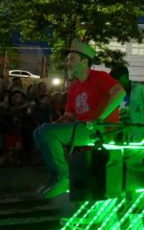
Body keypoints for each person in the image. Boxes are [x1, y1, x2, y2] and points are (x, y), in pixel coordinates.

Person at [33, 40, 124, 198]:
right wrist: (54, 125)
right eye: (68, 59)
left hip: (99, 129)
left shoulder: (99, 77)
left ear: (84, 61)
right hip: (82, 128)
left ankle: (63, 176)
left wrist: (100, 118)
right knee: (39, 132)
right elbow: (69, 115)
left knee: (46, 133)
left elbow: (120, 92)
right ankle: (59, 176)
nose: (67, 63)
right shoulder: (74, 86)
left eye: (71, 59)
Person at [109, 65, 144, 142]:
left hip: (137, 128)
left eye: (119, 79)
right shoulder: (114, 91)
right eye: (115, 80)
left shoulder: (140, 89)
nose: (117, 82)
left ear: (126, 76)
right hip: (119, 130)